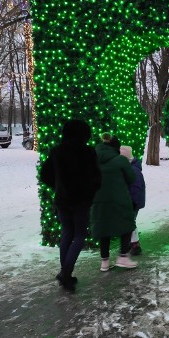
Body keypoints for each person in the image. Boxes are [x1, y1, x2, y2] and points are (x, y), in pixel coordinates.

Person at [40, 119, 101, 293]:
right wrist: (90, 191)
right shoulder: (88, 152)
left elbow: (45, 175)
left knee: (67, 233)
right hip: (81, 201)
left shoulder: (57, 151)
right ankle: (66, 273)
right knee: (80, 235)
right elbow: (96, 178)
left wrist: (58, 186)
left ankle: (65, 273)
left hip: (63, 200)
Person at [91, 133, 138, 271]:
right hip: (119, 200)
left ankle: (104, 261)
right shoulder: (120, 160)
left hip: (98, 201)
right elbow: (131, 178)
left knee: (103, 228)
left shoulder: (92, 160)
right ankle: (123, 256)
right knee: (128, 225)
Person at [120, 145, 145, 255]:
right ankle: (133, 244)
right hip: (132, 201)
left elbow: (136, 189)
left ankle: (134, 245)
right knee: (130, 222)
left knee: (130, 223)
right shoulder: (132, 168)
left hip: (132, 202)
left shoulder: (133, 170)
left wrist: (132, 203)